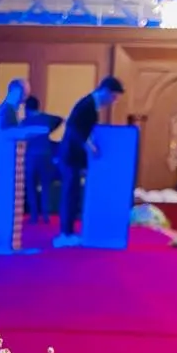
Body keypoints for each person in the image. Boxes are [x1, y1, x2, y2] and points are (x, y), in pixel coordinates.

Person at [56, 75, 124, 244]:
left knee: (73, 194)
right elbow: (74, 130)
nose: (113, 102)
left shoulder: (91, 106)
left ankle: (69, 232)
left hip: (74, 158)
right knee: (69, 194)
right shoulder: (87, 105)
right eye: (113, 97)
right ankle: (66, 234)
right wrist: (89, 146)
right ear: (106, 92)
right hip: (69, 156)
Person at [23, 95, 56, 223]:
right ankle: (46, 213)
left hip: (30, 157)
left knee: (31, 186)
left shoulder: (25, 122)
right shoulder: (46, 119)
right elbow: (60, 119)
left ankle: (34, 215)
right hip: (46, 155)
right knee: (45, 185)